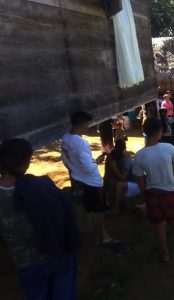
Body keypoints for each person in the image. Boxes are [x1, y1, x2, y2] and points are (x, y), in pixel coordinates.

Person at [0, 138, 80, 300]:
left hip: (27, 263)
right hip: (60, 255)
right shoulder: (44, 186)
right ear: (25, 163)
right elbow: (67, 214)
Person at [133, 118, 174, 262]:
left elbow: (139, 179)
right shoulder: (168, 148)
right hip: (170, 191)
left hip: (152, 192)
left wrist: (144, 195)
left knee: (159, 224)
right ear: (160, 131)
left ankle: (165, 254)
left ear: (144, 132)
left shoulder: (139, 155)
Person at [61, 111, 117, 246]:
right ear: (82, 123)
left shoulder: (65, 138)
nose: (88, 126)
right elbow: (88, 167)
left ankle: (101, 236)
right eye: (87, 124)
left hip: (79, 179)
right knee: (98, 212)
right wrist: (96, 162)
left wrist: (74, 169)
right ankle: (98, 239)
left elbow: (64, 158)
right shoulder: (81, 142)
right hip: (92, 182)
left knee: (91, 210)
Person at [104, 140, 140, 214]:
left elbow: (123, 178)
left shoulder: (126, 161)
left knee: (118, 184)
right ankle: (112, 205)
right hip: (127, 181)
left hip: (135, 184)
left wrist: (114, 168)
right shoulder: (113, 155)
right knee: (111, 182)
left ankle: (116, 208)